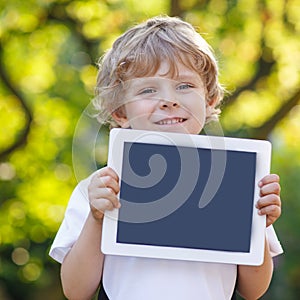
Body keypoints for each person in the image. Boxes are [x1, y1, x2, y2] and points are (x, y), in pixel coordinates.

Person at [49, 15, 283, 300]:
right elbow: (76, 291)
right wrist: (98, 219)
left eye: (184, 86)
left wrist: (256, 227)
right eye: (148, 89)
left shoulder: (237, 183)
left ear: (209, 100)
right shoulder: (99, 190)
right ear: (120, 112)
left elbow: (253, 289)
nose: (169, 100)